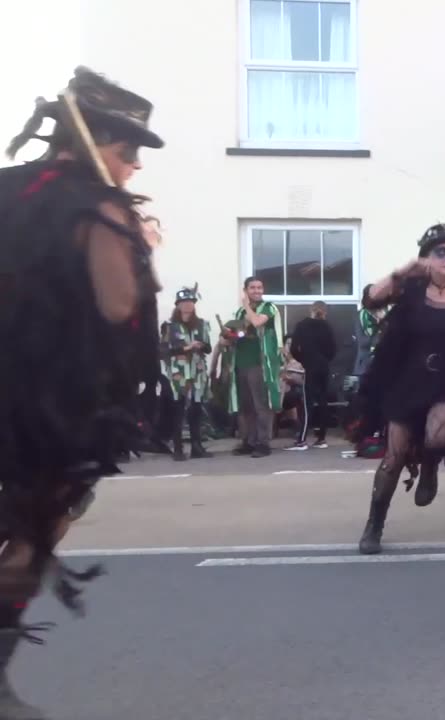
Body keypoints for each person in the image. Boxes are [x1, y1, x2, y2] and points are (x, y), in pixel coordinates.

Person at [0, 66, 164, 718]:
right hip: (42, 406)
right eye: (127, 151)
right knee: (36, 531)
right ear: (93, 139)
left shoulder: (6, 188)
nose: (133, 167)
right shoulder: (99, 210)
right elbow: (119, 309)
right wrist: (139, 251)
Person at [355, 224, 445, 555]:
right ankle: (374, 524)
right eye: (441, 252)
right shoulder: (412, 288)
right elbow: (371, 299)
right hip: (408, 380)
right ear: (427, 259)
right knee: (394, 457)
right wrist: (404, 270)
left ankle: (429, 465)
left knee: (437, 437)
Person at [222, 277, 284, 458]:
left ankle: (263, 443)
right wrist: (227, 337)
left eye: (259, 287)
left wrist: (247, 306)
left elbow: (257, 322)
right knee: (245, 406)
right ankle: (248, 441)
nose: (257, 290)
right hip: (241, 362)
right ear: (246, 290)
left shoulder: (268, 307)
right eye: (252, 287)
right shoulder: (240, 312)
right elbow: (237, 333)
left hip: (260, 364)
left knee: (261, 405)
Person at [161, 285, 214, 461]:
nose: (187, 305)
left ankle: (197, 446)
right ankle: (177, 448)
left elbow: (208, 348)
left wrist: (201, 346)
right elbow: (164, 351)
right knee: (177, 409)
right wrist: (186, 347)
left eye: (190, 302)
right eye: (183, 302)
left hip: (197, 371)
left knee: (196, 409)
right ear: (177, 305)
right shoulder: (169, 326)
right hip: (178, 373)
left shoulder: (202, 324)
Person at [288, 301, 337, 450]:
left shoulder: (302, 325)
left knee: (307, 403)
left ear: (311, 310)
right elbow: (333, 349)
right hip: (324, 367)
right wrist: (325, 360)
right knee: (323, 401)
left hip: (310, 366)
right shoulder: (327, 326)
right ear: (325, 312)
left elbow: (294, 348)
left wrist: (303, 360)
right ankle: (321, 438)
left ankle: (302, 439)